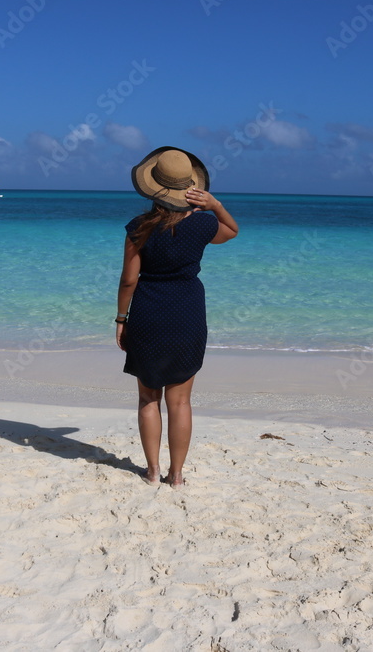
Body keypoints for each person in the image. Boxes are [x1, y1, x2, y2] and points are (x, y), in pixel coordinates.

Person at [115, 147, 239, 488]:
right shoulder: (203, 225)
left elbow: (129, 280)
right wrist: (214, 205)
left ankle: (152, 472)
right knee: (181, 400)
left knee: (147, 398)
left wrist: (121, 319)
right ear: (190, 188)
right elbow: (232, 230)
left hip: (147, 314)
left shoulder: (139, 227)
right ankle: (177, 475)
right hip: (188, 313)